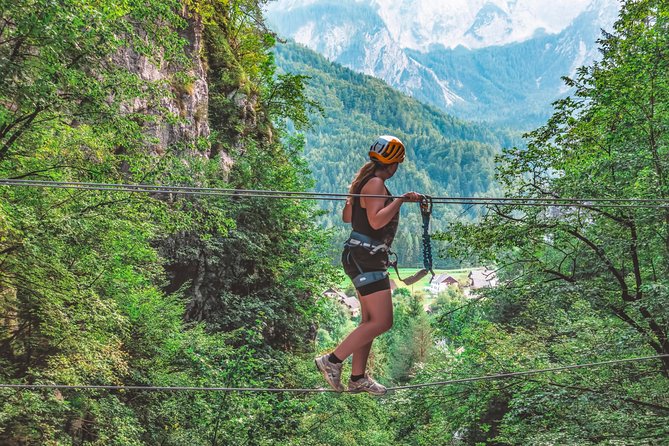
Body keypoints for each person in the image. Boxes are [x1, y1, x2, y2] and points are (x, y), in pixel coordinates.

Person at [315, 135, 423, 395]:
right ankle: (332, 361)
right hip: (367, 259)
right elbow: (375, 222)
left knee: (369, 321)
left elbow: (347, 217)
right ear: (392, 163)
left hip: (362, 257)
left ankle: (358, 377)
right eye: (398, 162)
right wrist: (400, 201)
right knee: (383, 322)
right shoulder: (375, 183)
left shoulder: (365, 181)